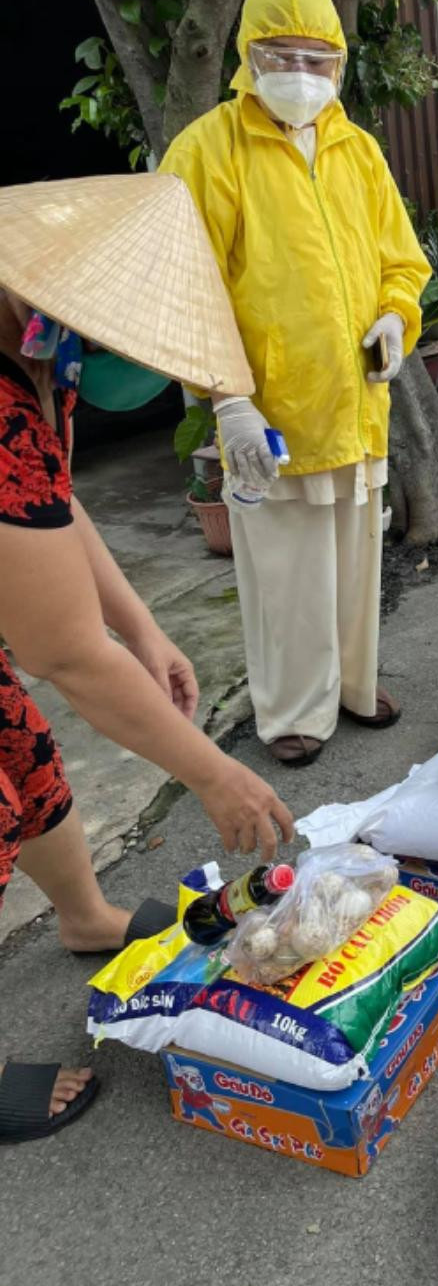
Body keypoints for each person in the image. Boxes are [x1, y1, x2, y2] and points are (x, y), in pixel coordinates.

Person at [0, 178, 293, 1145]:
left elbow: (54, 503)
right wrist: (216, 775)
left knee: (26, 759)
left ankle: (83, 915)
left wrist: (146, 627)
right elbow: (64, 652)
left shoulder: (40, 355)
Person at [161, 0, 431, 768]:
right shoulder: (209, 151)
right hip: (267, 414)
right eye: (284, 58)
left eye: (319, 61)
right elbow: (182, 281)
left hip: (355, 402)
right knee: (285, 576)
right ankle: (292, 713)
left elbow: (402, 261)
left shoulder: (358, 150)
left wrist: (394, 318)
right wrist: (225, 397)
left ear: (339, 65)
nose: (303, 75)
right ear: (250, 59)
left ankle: (351, 684)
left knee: (353, 558)